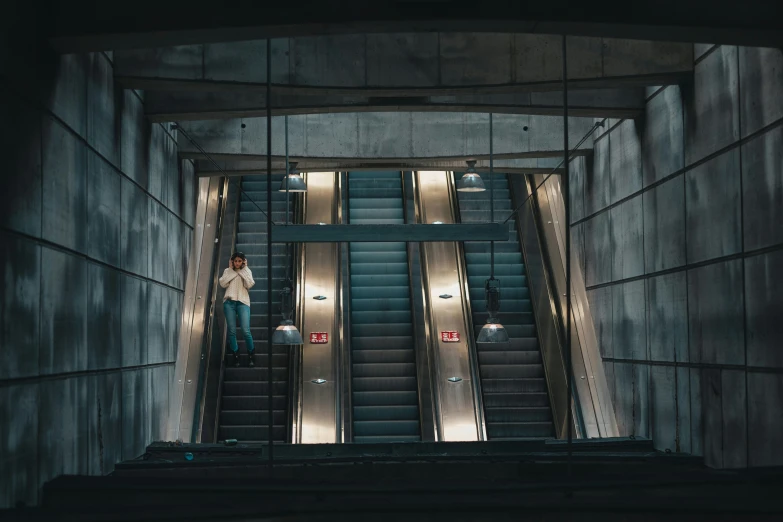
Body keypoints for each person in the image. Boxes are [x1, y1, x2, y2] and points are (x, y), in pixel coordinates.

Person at [219, 252, 256, 367]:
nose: (237, 263)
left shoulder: (247, 271)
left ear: (243, 261)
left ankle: (251, 355)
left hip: (243, 303)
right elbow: (222, 283)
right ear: (232, 261)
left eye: (240, 261)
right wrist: (231, 270)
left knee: (246, 330)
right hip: (229, 303)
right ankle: (236, 355)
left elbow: (250, 284)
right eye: (235, 261)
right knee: (232, 331)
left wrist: (243, 270)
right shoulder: (227, 271)